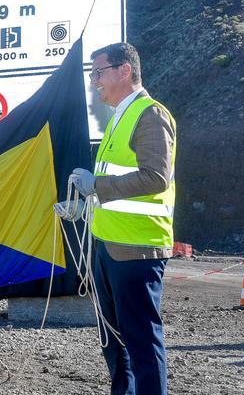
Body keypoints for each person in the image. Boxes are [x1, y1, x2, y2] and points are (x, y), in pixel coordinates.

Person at [71, 43, 177, 395]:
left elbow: (156, 178)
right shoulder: (119, 116)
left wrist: (97, 187)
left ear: (124, 70)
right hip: (110, 246)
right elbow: (115, 183)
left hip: (136, 249)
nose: (94, 81)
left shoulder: (150, 115)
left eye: (98, 73)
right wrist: (84, 203)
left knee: (142, 342)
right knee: (114, 342)